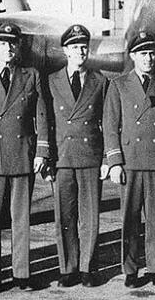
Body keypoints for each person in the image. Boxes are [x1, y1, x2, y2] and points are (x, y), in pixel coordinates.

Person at [0, 22, 50, 293]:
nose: (8, 48)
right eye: (2, 43)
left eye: (13, 43)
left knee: (21, 220)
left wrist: (42, 150)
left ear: (18, 47)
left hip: (21, 155)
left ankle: (22, 274)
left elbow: (42, 114)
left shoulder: (31, 74)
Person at [103, 31, 155, 288]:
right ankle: (130, 269)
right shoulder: (118, 85)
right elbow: (110, 124)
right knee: (129, 219)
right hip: (130, 162)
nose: (148, 58)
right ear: (133, 57)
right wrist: (114, 161)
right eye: (142, 54)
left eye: (151, 53)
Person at [46, 24, 107, 288]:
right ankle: (68, 268)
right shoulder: (51, 81)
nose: (80, 51)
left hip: (90, 156)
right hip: (62, 157)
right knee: (65, 216)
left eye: (83, 46)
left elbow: (108, 121)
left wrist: (106, 159)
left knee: (90, 216)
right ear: (65, 51)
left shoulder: (100, 81)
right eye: (74, 47)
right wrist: (45, 157)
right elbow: (46, 121)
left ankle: (88, 268)